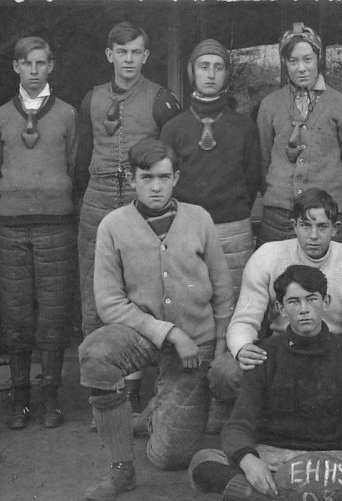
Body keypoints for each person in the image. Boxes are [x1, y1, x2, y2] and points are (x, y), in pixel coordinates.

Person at [78, 138, 233, 501]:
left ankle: (152, 415)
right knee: (96, 355)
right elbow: (109, 303)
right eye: (147, 178)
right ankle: (121, 469)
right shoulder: (113, 225)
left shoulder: (200, 219)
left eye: (164, 177)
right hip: (141, 334)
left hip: (197, 342)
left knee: (170, 457)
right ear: (132, 179)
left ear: (176, 178)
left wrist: (222, 345)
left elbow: (223, 290)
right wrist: (169, 332)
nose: (156, 187)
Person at [189, 265, 342, 501]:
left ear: (325, 302)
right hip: (272, 458)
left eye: (311, 300)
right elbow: (239, 423)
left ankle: (266, 497)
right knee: (203, 462)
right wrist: (248, 461)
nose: (304, 310)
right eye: (294, 302)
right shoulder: (264, 354)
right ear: (281, 308)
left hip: (332, 462)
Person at [210, 189, 342, 416]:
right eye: (305, 226)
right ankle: (251, 428)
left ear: (335, 228)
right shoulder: (267, 256)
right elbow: (244, 319)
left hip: (335, 353)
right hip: (282, 352)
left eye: (322, 227)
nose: (314, 235)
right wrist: (243, 347)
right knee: (224, 370)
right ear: (294, 226)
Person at [75, 21, 181, 413]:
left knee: (137, 292)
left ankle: (134, 394)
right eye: (122, 52)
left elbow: (171, 160)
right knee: (94, 292)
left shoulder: (161, 100)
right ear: (110, 55)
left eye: (136, 52)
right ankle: (102, 392)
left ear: (146, 56)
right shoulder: (90, 100)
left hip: (140, 204)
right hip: (97, 195)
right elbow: (80, 156)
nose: (129, 60)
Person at [0, 36, 77, 430]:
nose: (35, 70)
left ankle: (50, 398)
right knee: (17, 314)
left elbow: (75, 168)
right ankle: (19, 398)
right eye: (27, 63)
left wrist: (51, 197)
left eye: (42, 63)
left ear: (51, 66)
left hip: (55, 225)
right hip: (11, 226)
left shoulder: (69, 115)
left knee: (53, 313)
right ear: (16, 67)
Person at [160, 38, 260, 300]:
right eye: (204, 66)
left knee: (233, 301)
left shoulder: (244, 127)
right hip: (186, 228)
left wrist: (231, 210)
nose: (211, 74)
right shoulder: (174, 128)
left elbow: (253, 179)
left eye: (218, 67)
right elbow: (165, 181)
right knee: (189, 300)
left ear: (226, 74)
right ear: (192, 72)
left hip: (233, 229)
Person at [256, 22, 342, 245]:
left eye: (307, 59)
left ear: (319, 59)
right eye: (293, 61)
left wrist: (330, 198)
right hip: (279, 217)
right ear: (284, 63)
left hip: (328, 216)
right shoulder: (270, 105)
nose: (301, 68)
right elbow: (263, 159)